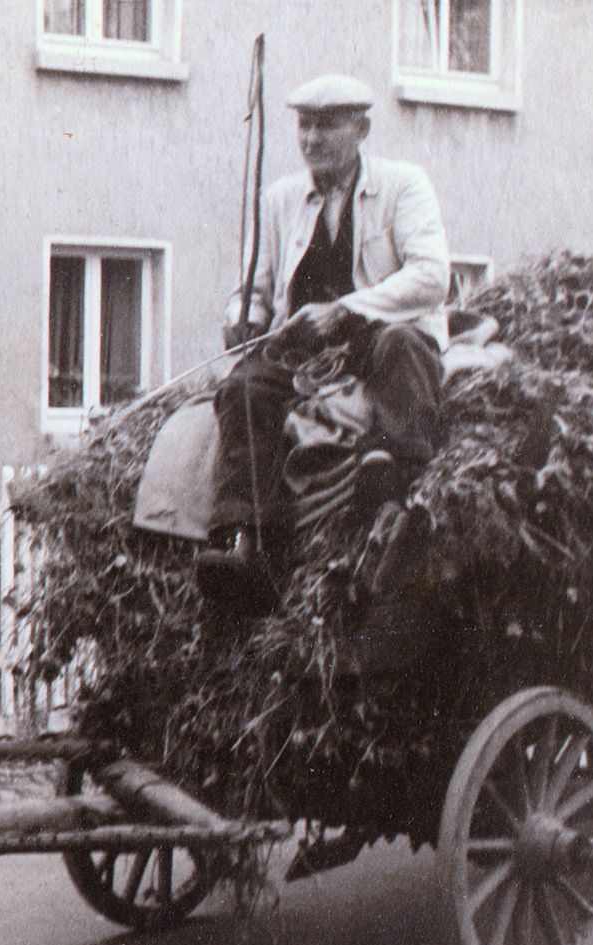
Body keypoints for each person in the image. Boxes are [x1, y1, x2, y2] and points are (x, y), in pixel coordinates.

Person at [199, 73, 450, 612]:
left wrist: (346, 310)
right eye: (305, 126)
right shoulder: (280, 199)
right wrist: (244, 319)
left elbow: (432, 276)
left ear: (361, 129)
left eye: (327, 126)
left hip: (380, 335)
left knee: (401, 347)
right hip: (307, 354)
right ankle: (246, 536)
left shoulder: (403, 186)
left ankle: (399, 494)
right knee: (244, 388)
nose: (312, 139)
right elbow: (253, 290)